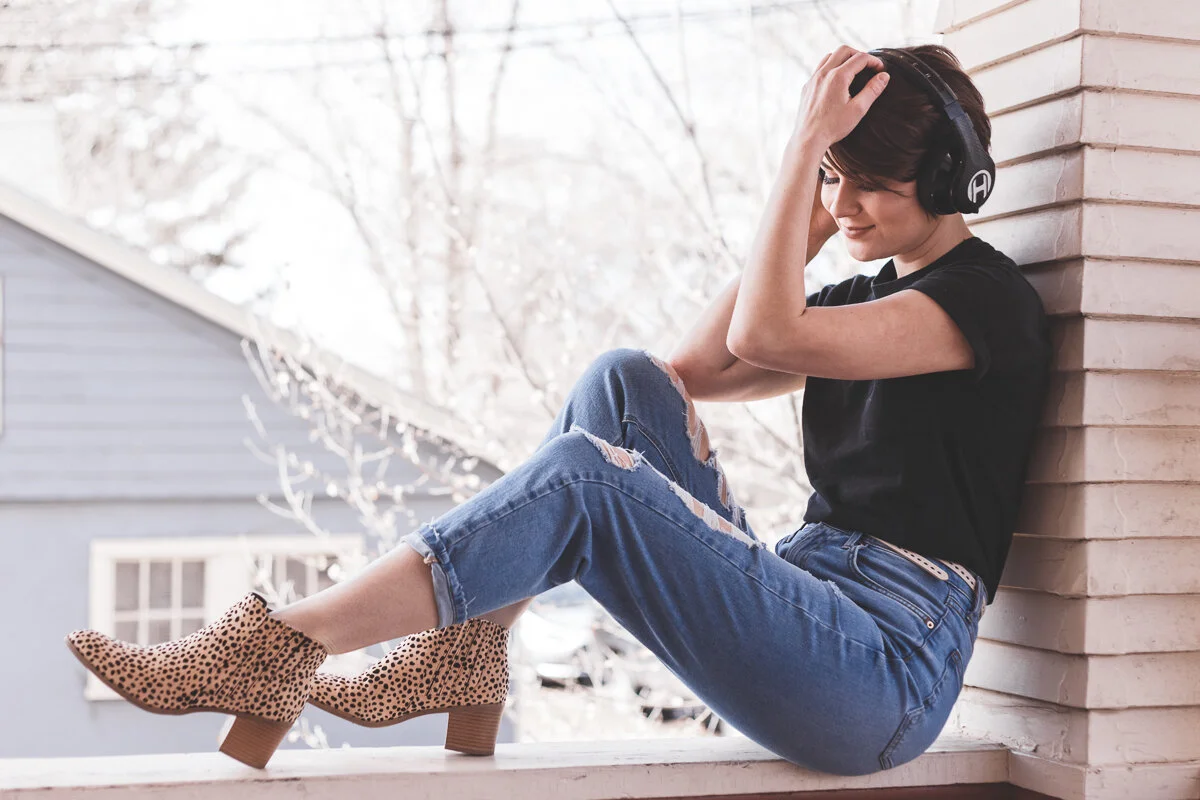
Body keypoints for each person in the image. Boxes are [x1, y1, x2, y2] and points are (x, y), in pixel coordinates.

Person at [65, 43, 1052, 776]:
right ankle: (466, 653)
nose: (844, 208)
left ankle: (282, 642)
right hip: (813, 604)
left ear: (949, 179)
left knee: (588, 477)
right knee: (623, 383)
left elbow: (767, 336)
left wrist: (807, 151)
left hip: (881, 664)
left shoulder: (982, 302)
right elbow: (695, 368)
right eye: (838, 180)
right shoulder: (855, 299)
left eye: (869, 185)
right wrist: (816, 178)